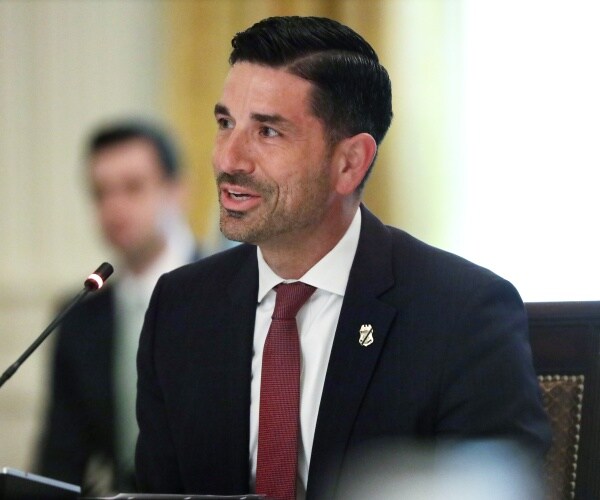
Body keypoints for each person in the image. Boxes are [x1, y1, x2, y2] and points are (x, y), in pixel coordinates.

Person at [135, 16, 551, 500]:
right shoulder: (182, 306)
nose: (229, 159)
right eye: (225, 123)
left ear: (349, 162)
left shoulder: (462, 313)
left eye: (268, 132)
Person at [35, 119, 201, 495]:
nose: (115, 207)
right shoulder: (79, 315)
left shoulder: (235, 290)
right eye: (101, 192)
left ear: (177, 192)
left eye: (132, 187)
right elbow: (60, 460)